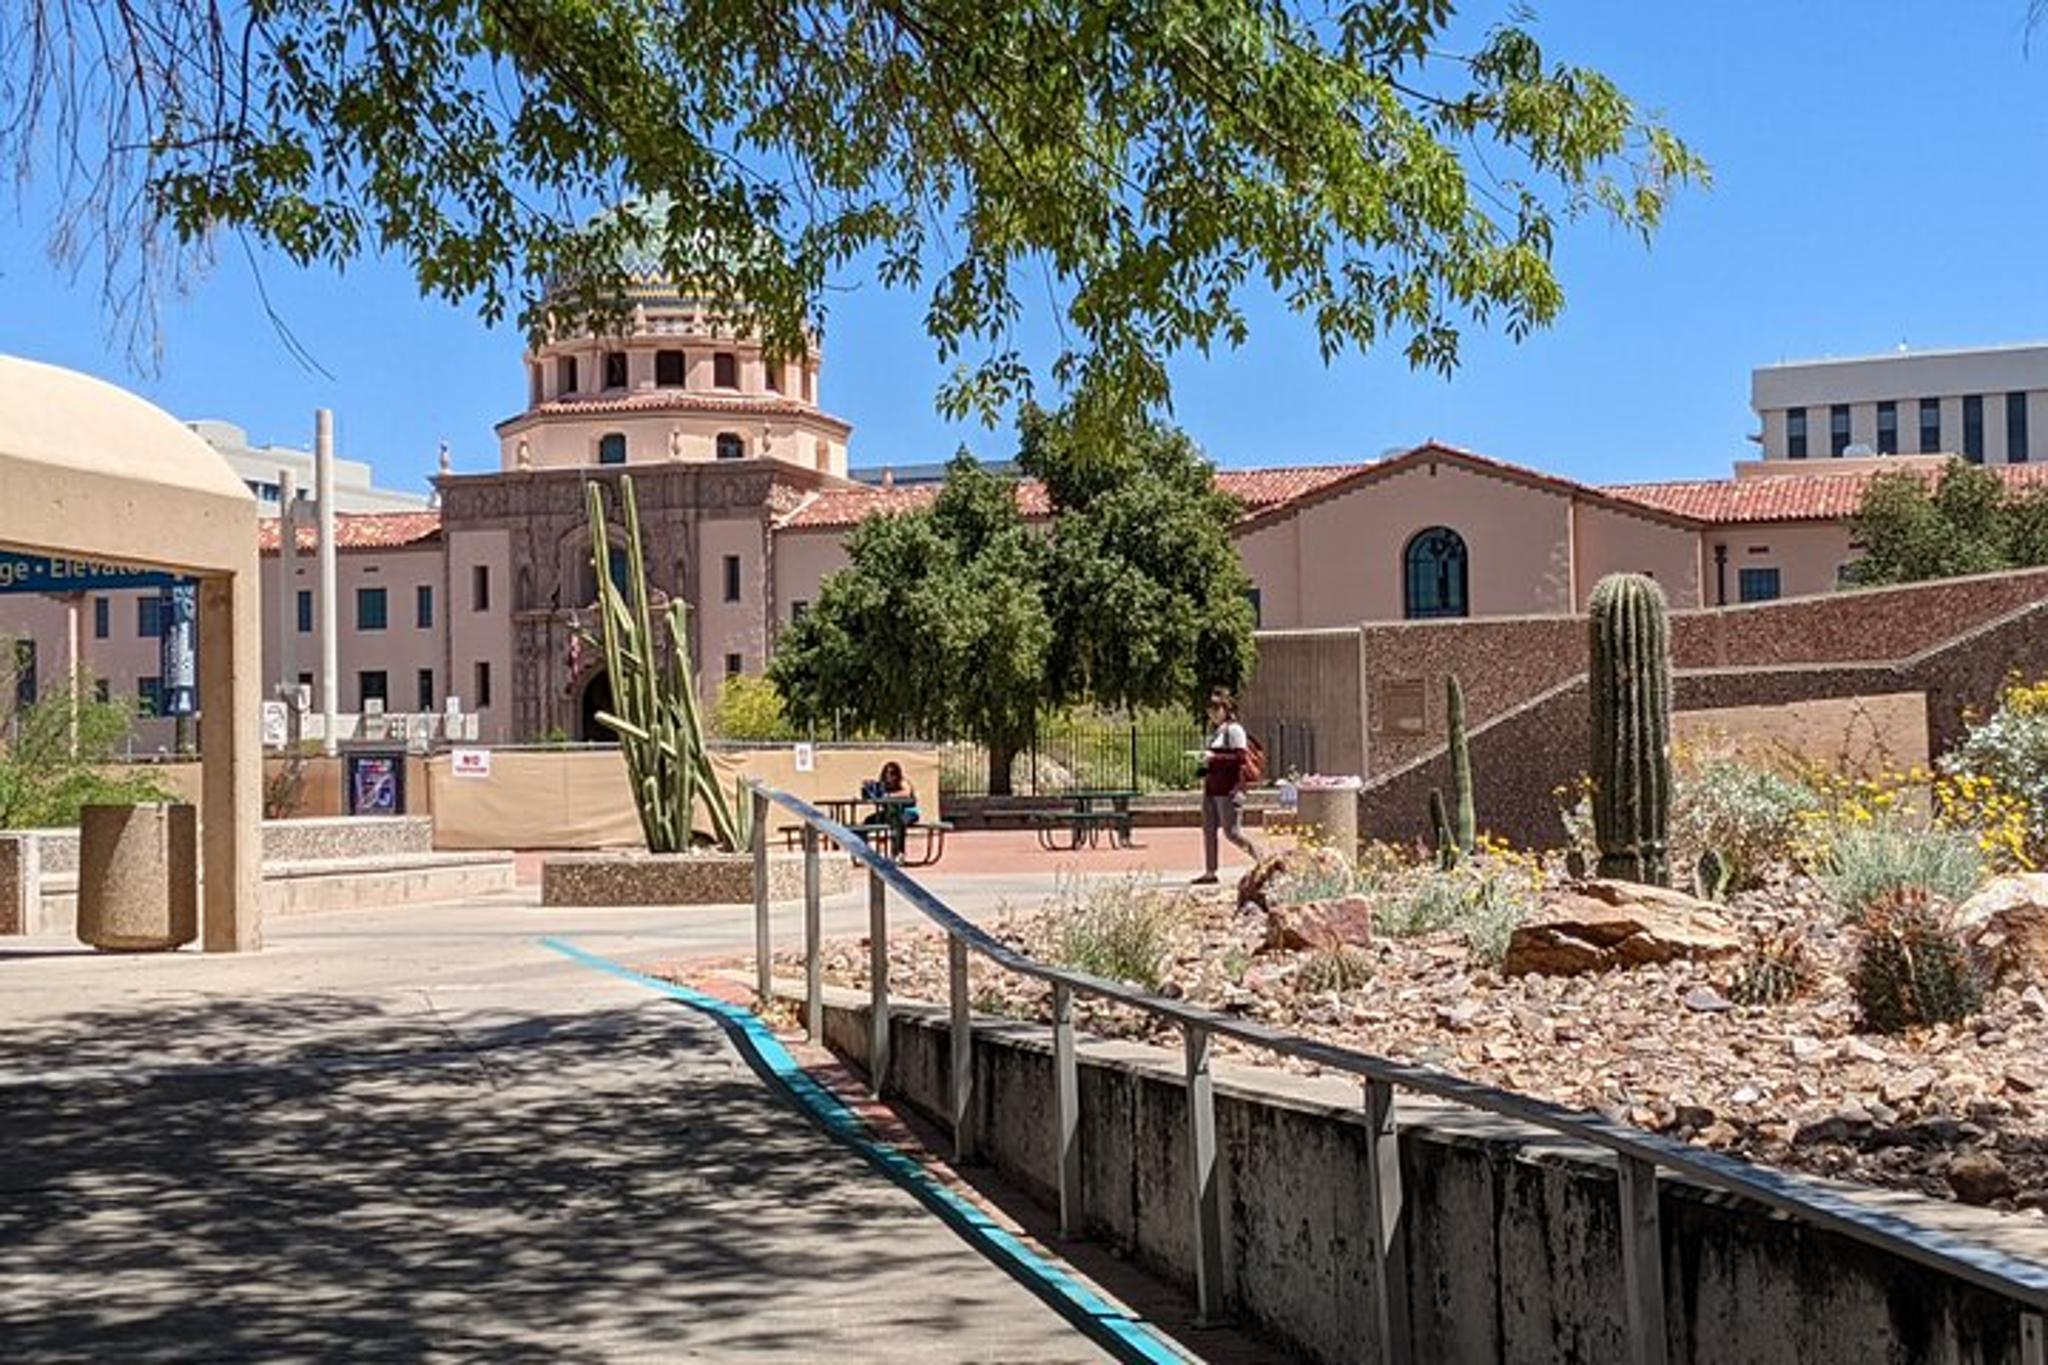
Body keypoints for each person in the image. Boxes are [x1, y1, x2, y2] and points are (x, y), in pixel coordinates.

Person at [1195, 689, 1257, 884]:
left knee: (1232, 833)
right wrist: (1204, 767)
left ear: (1225, 708)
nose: (1212, 714)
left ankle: (1262, 858)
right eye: (1210, 710)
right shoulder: (1217, 732)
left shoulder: (1234, 730)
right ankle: (1210, 871)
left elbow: (1240, 758)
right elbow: (1217, 761)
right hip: (1212, 789)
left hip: (1228, 789)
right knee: (1209, 829)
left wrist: (1215, 757)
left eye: (1216, 709)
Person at [875, 760, 921, 826]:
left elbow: (906, 793)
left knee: (899, 822)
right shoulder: (884, 785)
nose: (889, 776)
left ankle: (898, 836)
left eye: (892, 773)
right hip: (891, 813)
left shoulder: (902, 782)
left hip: (908, 812)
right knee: (868, 821)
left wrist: (890, 795)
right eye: (886, 773)